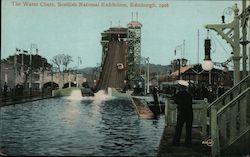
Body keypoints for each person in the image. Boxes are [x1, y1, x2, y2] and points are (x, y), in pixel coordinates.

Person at [172, 80, 193, 147]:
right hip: (189, 113)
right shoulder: (189, 95)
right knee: (188, 129)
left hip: (182, 113)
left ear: (180, 87)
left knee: (179, 128)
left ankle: (176, 142)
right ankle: (188, 143)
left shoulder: (178, 94)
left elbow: (175, 101)